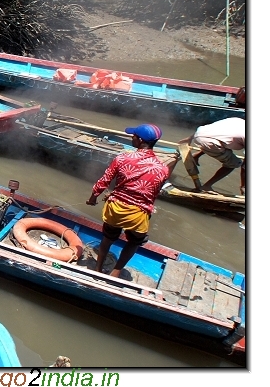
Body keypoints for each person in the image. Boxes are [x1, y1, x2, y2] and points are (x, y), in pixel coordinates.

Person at [86, 123, 171, 277]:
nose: (131, 138)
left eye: (133, 136)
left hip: (116, 209)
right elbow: (152, 195)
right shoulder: (163, 169)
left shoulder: (123, 158)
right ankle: (116, 272)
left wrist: (93, 198)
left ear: (139, 140)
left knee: (108, 238)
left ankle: (98, 269)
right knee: (135, 241)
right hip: (138, 214)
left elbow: (103, 181)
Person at [179, 117, 245, 194]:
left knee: (222, 144)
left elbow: (211, 130)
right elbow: (244, 166)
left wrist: (189, 138)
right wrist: (243, 186)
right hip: (210, 142)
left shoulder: (238, 120)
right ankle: (206, 186)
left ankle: (197, 155)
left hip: (198, 134)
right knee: (234, 163)